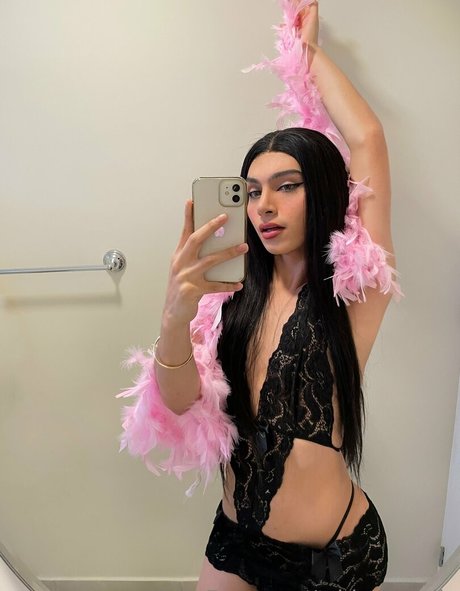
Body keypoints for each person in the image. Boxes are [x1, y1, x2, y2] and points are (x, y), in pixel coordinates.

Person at [117, 2, 400, 589]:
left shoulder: (355, 288)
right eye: (250, 192)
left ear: (323, 192)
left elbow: (367, 137)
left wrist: (305, 53)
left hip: (330, 558)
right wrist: (175, 315)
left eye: (286, 186)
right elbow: (179, 402)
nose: (263, 206)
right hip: (235, 541)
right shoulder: (230, 296)